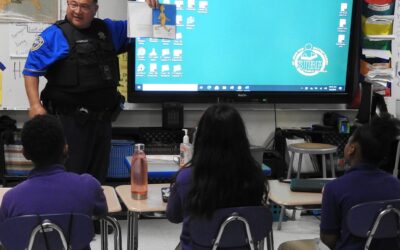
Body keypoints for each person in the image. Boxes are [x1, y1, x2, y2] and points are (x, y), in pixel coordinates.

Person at [22, 0, 159, 184]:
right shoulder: (54, 35)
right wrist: (34, 105)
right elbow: (31, 70)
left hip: (102, 123)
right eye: (73, 4)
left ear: (95, 9)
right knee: (70, 180)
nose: (77, 11)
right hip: (69, 123)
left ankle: (93, 213)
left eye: (85, 6)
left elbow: (145, 24)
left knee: (96, 181)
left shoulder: (109, 31)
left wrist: (147, 4)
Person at [278, 114, 400, 250]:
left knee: (287, 246)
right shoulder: (396, 185)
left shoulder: (334, 189)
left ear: (352, 148)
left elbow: (327, 240)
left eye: (348, 141)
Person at [166, 104, 268, 250]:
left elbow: (174, 216)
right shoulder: (254, 174)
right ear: (241, 138)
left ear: (201, 138)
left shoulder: (187, 177)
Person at [0, 115, 107, 249]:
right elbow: (102, 213)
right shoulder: (88, 186)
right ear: (65, 148)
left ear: (24, 153)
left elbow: (6, 237)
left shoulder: (11, 199)